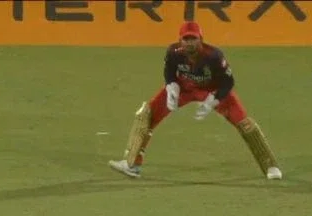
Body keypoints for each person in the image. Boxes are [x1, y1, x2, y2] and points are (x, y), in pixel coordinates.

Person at [109, 21, 282, 181]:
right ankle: (132, 164)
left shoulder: (214, 56)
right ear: (180, 40)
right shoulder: (173, 52)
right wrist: (171, 87)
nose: (189, 43)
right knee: (146, 114)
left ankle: (270, 166)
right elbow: (169, 71)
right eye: (186, 39)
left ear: (201, 39)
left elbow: (228, 82)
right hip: (184, 89)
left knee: (246, 125)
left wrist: (213, 100)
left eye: (193, 39)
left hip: (211, 90)